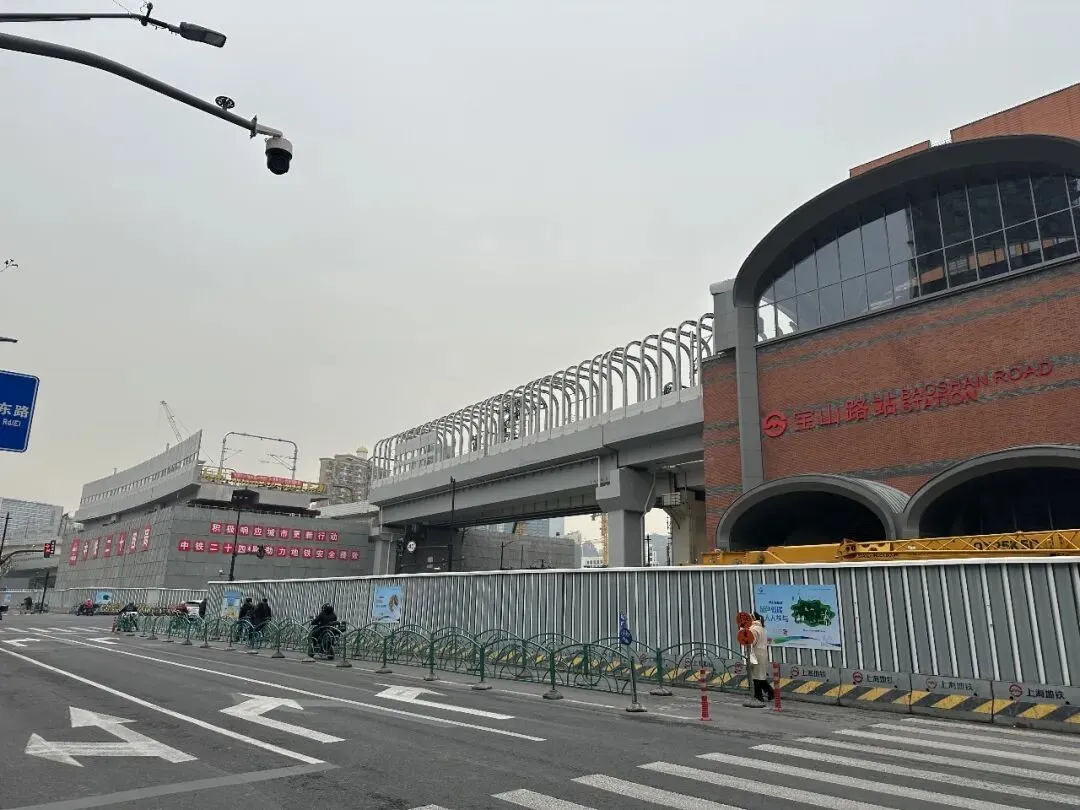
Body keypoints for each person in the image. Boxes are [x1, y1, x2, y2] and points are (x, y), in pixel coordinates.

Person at [748, 612, 775, 706]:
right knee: (760, 675)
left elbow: (751, 642)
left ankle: (759, 696)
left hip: (755, 653)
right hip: (763, 653)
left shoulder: (753, 629)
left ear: (753, 618)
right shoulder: (762, 629)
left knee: (756, 676)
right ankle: (770, 692)